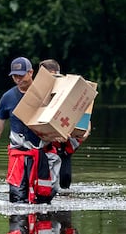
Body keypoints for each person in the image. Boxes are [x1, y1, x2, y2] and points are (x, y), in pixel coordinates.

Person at [0, 57, 54, 203]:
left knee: (43, 202)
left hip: (42, 156)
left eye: (21, 75)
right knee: (17, 204)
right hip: (18, 157)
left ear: (31, 72)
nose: (18, 79)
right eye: (15, 76)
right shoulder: (8, 97)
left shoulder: (45, 94)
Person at [38, 59, 91, 191]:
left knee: (64, 182)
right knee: (44, 185)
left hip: (65, 146)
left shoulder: (68, 93)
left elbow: (85, 118)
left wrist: (85, 132)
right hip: (44, 146)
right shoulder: (36, 95)